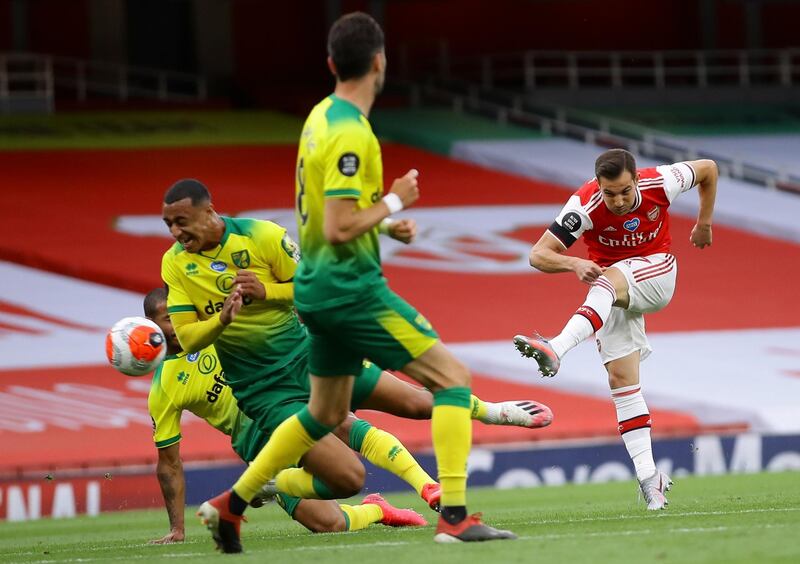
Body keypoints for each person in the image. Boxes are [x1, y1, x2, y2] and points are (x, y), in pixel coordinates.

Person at [211, 11, 518, 548]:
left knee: (325, 412)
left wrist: (382, 221)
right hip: (348, 288)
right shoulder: (353, 132)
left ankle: (232, 504)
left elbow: (330, 210)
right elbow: (336, 225)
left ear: (332, 64)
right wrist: (397, 197)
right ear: (380, 62)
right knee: (452, 378)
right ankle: (455, 518)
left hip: (313, 289)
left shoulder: (319, 117)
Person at [159, 178, 548, 550]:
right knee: (349, 479)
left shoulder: (261, 236)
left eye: (181, 221)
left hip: (309, 357)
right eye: (169, 224)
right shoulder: (175, 265)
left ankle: (494, 414)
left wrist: (267, 291)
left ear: (209, 211)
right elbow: (189, 336)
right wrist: (222, 320)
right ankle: (256, 491)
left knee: (416, 402)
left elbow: (310, 288)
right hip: (265, 390)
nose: (175, 232)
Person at [513, 148, 717, 510]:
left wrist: (704, 221)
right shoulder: (585, 204)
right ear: (599, 187)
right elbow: (538, 254)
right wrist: (573, 262)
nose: (619, 200)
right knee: (622, 381)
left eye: (625, 190)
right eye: (610, 193)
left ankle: (556, 348)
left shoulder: (662, 180)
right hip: (613, 292)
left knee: (607, 280)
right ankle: (649, 478)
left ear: (637, 179)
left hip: (658, 274)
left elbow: (708, 169)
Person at [142, 288, 428, 543]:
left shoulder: (224, 325)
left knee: (338, 420)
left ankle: (427, 485)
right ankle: (378, 509)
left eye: (180, 311)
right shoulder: (164, 387)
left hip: (286, 399)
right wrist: (177, 529)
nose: (177, 320)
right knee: (329, 524)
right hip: (258, 444)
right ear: (152, 327)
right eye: (168, 318)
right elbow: (169, 464)